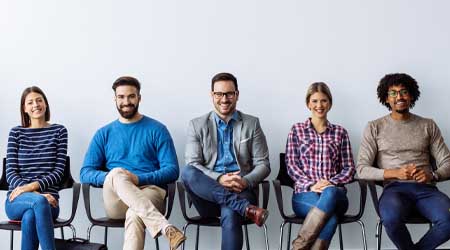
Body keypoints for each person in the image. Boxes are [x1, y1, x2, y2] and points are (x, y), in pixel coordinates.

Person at [80, 76, 185, 250]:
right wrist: (116, 178)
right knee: (116, 173)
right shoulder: (104, 133)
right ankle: (165, 227)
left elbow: (172, 170)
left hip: (150, 191)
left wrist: (138, 179)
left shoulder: (157, 129)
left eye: (131, 96)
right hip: (116, 199)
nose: (126, 101)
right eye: (121, 97)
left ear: (139, 98)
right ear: (115, 99)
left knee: (135, 213)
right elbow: (85, 172)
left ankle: (166, 229)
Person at [357, 73, 450, 250]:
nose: (399, 97)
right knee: (391, 219)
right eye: (393, 93)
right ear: (386, 98)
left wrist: (433, 174)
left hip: (426, 190)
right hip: (394, 190)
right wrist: (394, 173)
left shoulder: (428, 125)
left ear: (412, 96)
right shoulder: (374, 127)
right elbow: (361, 169)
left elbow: (448, 162)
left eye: (404, 92)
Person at [181, 72, 270, 250]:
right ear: (212, 95)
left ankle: (239, 206)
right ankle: (245, 208)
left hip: (241, 189)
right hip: (207, 198)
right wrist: (219, 179)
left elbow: (263, 164)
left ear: (237, 94)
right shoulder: (196, 125)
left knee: (230, 210)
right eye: (219, 94)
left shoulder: (252, 123)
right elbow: (193, 164)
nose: (224, 99)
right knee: (187, 172)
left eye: (229, 93)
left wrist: (244, 181)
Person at [285, 82, 355, 250]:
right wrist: (312, 185)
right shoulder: (297, 130)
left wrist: (329, 183)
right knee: (329, 218)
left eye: (323, 101)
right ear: (308, 103)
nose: (319, 105)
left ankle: (299, 247)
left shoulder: (340, 132)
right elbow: (292, 166)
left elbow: (349, 168)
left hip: (336, 195)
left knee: (330, 192)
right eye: (315, 101)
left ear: (329, 103)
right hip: (304, 194)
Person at [5, 86, 68, 250]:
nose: (36, 105)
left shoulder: (59, 131)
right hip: (17, 200)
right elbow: (10, 172)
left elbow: (59, 172)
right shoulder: (16, 133)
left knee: (30, 217)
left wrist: (32, 187)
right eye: (30, 102)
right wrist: (35, 194)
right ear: (24, 108)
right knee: (38, 202)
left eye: (39, 100)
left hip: (50, 203)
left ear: (45, 104)